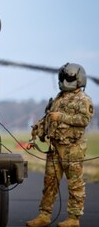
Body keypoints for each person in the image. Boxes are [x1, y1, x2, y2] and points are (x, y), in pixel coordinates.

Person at [26, 63, 94, 227]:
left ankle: (73, 218)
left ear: (78, 79)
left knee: (75, 185)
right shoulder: (59, 97)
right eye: (63, 77)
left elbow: (84, 120)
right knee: (49, 183)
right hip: (55, 148)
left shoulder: (83, 99)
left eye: (68, 77)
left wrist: (61, 117)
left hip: (72, 150)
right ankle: (44, 215)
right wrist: (40, 128)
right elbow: (49, 117)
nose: (64, 80)